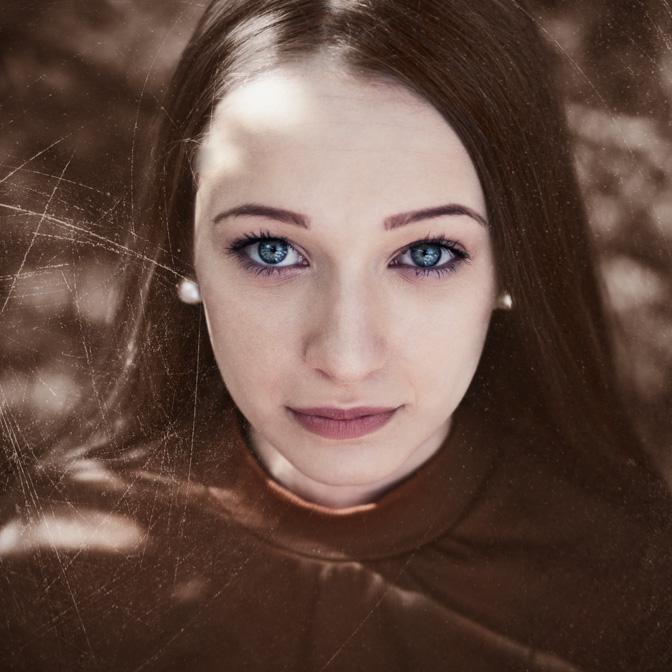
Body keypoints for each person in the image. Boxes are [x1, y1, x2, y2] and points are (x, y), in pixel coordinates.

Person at [1, 0, 671, 670]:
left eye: (427, 253)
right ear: (186, 254)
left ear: (513, 263)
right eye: (271, 251)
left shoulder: (639, 598)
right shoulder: (44, 583)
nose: (346, 359)